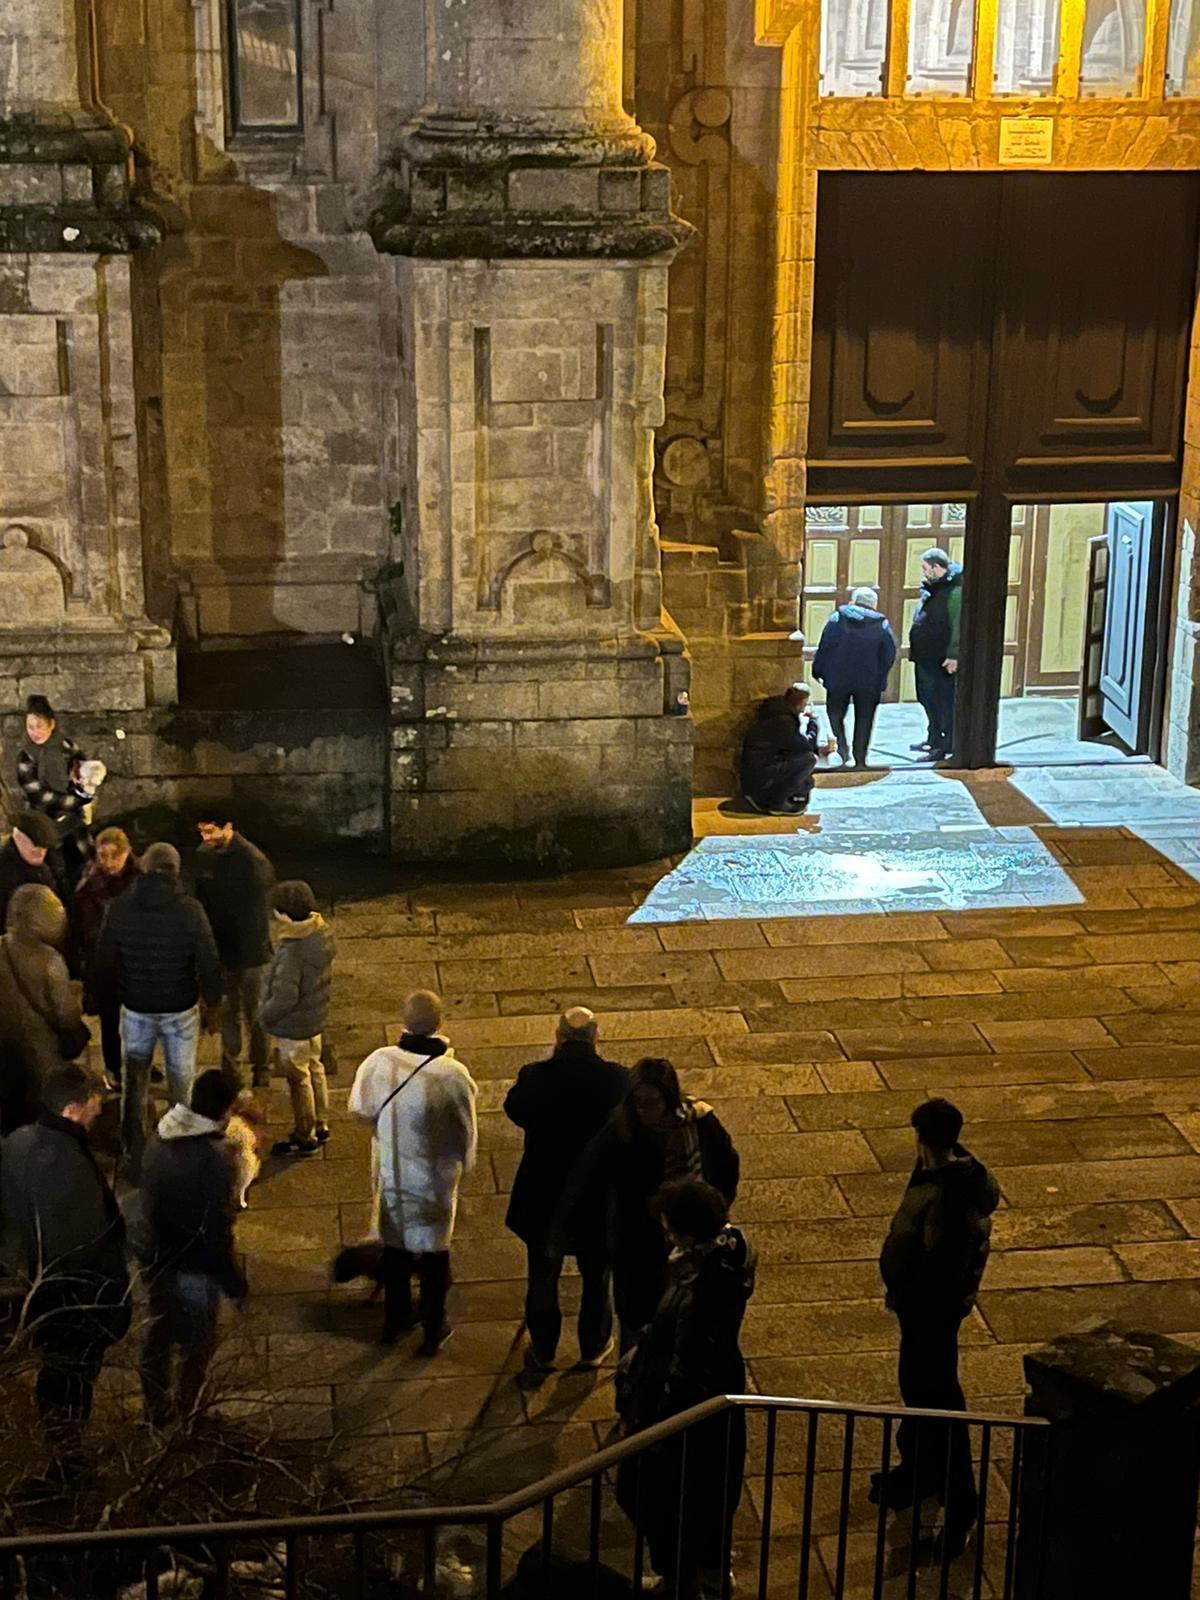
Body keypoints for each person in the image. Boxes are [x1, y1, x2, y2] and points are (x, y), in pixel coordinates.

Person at [615, 1179, 755, 1600]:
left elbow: (685, 1360)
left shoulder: (699, 1285)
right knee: (712, 1491)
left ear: (688, 1235)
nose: (667, 1238)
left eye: (670, 1230)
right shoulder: (727, 1254)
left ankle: (679, 1582)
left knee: (649, 1495)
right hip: (719, 1393)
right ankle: (712, 1569)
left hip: (682, 1409)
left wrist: (655, 1423)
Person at [874, 1098, 999, 1559]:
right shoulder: (942, 1173)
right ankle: (918, 1471)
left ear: (921, 1138)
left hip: (930, 1316)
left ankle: (960, 1505)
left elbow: (939, 1267)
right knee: (921, 1392)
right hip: (923, 1312)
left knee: (938, 1401)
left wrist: (906, 1292)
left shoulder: (949, 1194)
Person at [1, 1063, 130, 1474]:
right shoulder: (66, 1166)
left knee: (55, 1376)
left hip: (36, 1293)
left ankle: (59, 1448)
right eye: (94, 1102)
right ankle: (66, 1461)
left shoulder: (19, 1141)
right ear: (73, 1109)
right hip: (72, 1307)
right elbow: (83, 1247)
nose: (99, 1110)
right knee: (71, 1382)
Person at [563, 1057, 739, 1352]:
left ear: (668, 1098)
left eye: (652, 1102)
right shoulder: (620, 1131)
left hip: (690, 1234)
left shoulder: (699, 1122)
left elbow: (726, 1165)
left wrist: (714, 1207)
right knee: (636, 1322)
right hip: (637, 1241)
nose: (644, 1110)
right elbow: (588, 1176)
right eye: (638, 1102)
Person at [348, 990, 477, 1355]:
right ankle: (433, 1329)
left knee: (395, 1250)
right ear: (440, 1024)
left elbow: (360, 1109)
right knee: (434, 1255)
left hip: (393, 1173)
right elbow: (463, 1134)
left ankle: (396, 1319)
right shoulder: (452, 1075)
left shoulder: (379, 1062)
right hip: (434, 1181)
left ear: (402, 1023)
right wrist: (463, 1165)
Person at [504, 1007, 629, 1374]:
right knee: (597, 1274)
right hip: (598, 1195)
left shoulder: (535, 1076)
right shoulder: (618, 1080)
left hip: (544, 1193)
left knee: (543, 1275)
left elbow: (515, 1110)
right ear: (596, 1038)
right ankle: (594, 1344)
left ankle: (543, 1349)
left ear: (558, 1038)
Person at [91, 842, 223, 1181]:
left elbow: (104, 961)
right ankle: (181, 1148)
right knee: (182, 1081)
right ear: (175, 870)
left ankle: (134, 1152)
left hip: (136, 1008)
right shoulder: (190, 910)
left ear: (143, 868)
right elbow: (208, 960)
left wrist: (103, 1000)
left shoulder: (119, 908)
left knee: (134, 1083)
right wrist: (213, 1002)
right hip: (180, 1009)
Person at [138, 1069, 248, 1427]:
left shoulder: (160, 1136)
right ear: (224, 1110)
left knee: (158, 1336)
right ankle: (188, 1412)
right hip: (193, 1264)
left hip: (157, 1258)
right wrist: (234, 1284)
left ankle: (155, 1407)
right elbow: (216, 1231)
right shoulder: (214, 1159)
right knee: (197, 1344)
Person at [0, 884, 88, 1133]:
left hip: (6, 1051)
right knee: (40, 1112)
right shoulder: (50, 960)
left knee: (10, 1109)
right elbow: (66, 1016)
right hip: (41, 1051)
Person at [194, 817, 275, 1089]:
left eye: (210, 831)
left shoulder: (252, 861)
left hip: (250, 952)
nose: (206, 838)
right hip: (223, 949)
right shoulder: (206, 857)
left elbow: (257, 912)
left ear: (228, 827)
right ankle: (231, 1067)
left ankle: (261, 1066)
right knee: (228, 1012)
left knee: (256, 1013)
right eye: (202, 832)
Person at [261, 880, 336, 1157]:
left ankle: (305, 1136)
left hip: (294, 1025)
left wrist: (265, 1016)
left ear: (285, 914)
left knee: (298, 1078)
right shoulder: (321, 933)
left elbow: (285, 997)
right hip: (314, 1018)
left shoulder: (293, 950)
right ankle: (321, 1123)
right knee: (315, 1068)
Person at [74, 827, 141, 1086]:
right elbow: (86, 931)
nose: (110, 862)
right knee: (111, 1020)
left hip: (135, 962)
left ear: (127, 852)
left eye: (116, 855)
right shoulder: (90, 887)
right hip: (106, 965)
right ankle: (114, 1068)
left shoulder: (141, 879)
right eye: (103, 856)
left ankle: (136, 1064)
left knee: (137, 1021)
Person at [812, 585, 898, 769]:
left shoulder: (836, 620)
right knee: (865, 719)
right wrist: (881, 675)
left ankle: (843, 750)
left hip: (838, 679)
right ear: (873, 604)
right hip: (869, 681)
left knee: (835, 714)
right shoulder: (881, 625)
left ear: (853, 601)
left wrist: (818, 670)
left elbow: (825, 646)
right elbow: (889, 653)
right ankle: (860, 758)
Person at [17, 695, 97, 888]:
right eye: (30, 727)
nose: (35, 732)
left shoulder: (66, 747)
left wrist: (86, 778)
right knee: (53, 876)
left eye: (39, 726)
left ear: (51, 724)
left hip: (73, 822)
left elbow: (83, 770)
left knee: (84, 869)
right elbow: (39, 796)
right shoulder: (26, 757)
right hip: (44, 824)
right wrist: (78, 799)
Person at [908, 549, 963, 761]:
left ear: (936, 567)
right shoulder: (934, 588)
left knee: (942, 703)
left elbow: (958, 625)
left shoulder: (954, 592)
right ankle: (933, 738)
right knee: (927, 699)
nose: (923, 572)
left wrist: (954, 655)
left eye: (925, 568)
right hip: (925, 657)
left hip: (941, 659)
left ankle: (944, 745)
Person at [737, 682, 822, 815]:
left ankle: (777, 799)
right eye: (804, 704)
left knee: (806, 782)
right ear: (800, 704)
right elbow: (805, 748)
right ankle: (777, 804)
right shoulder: (783, 721)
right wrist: (813, 724)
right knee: (809, 760)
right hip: (762, 781)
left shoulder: (774, 713)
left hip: (756, 778)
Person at [0, 810, 58, 931]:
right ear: (18, 837)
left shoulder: (51, 862)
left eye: (45, 849)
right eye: (35, 849)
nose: (41, 853)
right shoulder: (5, 873)